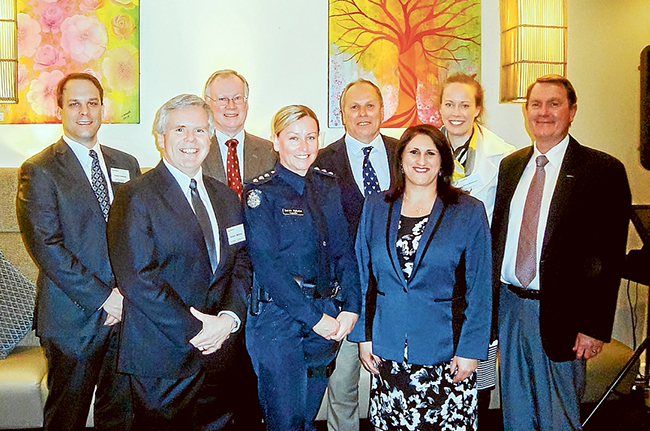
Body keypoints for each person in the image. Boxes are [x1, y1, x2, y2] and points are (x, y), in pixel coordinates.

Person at [493, 75, 631, 430]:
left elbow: (609, 256)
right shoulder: (511, 166)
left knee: (559, 418)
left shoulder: (602, 171)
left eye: (554, 104)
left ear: (572, 112)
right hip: (510, 308)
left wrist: (594, 327)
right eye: (535, 104)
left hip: (564, 316)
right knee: (516, 413)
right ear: (526, 112)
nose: (543, 112)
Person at [107, 94, 250, 431]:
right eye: (180, 130)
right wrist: (198, 329)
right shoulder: (135, 196)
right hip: (162, 359)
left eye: (200, 130)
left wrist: (228, 320)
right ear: (160, 138)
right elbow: (137, 279)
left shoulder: (226, 197)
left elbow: (242, 262)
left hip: (221, 355)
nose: (191, 139)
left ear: (211, 137)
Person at [16, 72, 140, 431]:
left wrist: (127, 297)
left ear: (103, 107)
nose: (84, 111)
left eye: (92, 103)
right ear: (60, 111)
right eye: (74, 103)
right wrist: (106, 298)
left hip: (125, 317)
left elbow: (137, 236)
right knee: (66, 418)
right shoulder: (39, 170)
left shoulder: (126, 164)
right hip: (72, 320)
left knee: (120, 416)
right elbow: (47, 248)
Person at [349, 124, 492, 430]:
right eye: (414, 151)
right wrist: (364, 336)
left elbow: (481, 287)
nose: (421, 160)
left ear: (443, 161)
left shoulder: (468, 211)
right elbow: (363, 277)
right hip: (389, 348)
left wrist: (470, 351)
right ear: (400, 159)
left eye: (431, 153)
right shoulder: (376, 207)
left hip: (447, 352)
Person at [243, 105, 361, 431]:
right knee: (285, 422)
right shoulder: (260, 193)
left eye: (311, 137)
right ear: (276, 141)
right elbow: (267, 267)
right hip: (278, 318)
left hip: (326, 313)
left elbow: (344, 253)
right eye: (293, 138)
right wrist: (314, 318)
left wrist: (351, 306)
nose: (304, 146)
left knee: (306, 417)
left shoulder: (327, 185)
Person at [315, 78, 398, 431]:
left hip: (399, 293)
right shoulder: (321, 161)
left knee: (400, 383)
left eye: (370, 106)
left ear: (383, 110)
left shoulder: (407, 152)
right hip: (346, 295)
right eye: (354, 107)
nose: (362, 113)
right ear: (342, 113)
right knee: (344, 384)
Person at [439, 72, 515, 418]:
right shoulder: (421, 150)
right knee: (439, 374)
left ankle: (479, 418)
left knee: (479, 362)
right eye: (449, 103)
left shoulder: (505, 157)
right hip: (437, 274)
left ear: (478, 109)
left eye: (465, 104)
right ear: (438, 107)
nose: (456, 112)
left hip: (479, 272)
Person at [201, 69, 277, 198]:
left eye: (237, 98)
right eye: (222, 99)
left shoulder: (270, 152)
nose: (231, 106)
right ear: (207, 103)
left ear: (246, 103)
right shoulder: (196, 151)